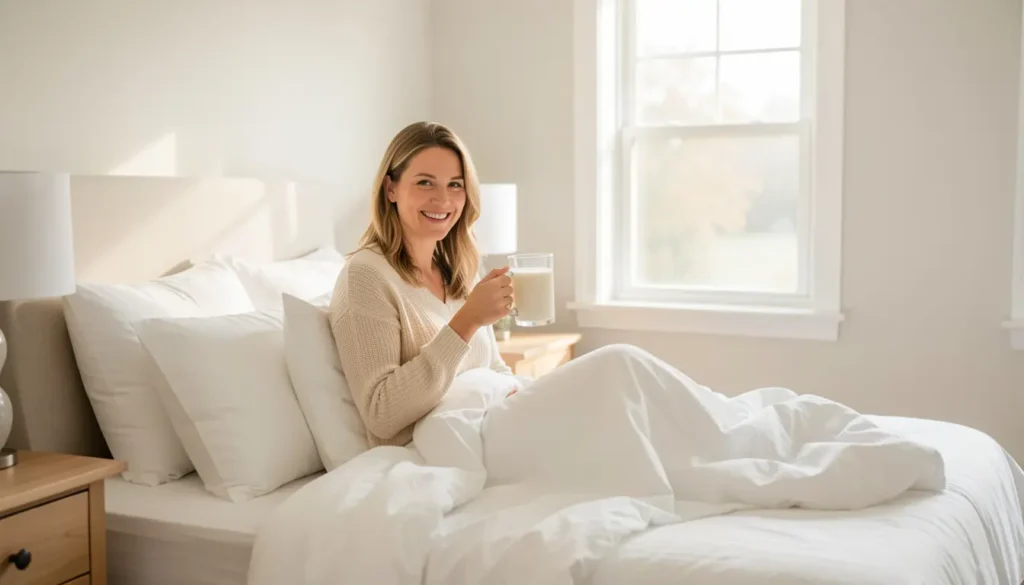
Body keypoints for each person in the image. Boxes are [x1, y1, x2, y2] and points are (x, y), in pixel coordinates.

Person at [329, 121, 522, 447]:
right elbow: (382, 413)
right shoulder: (365, 276)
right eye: (425, 183)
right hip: (440, 450)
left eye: (455, 185)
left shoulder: (460, 271)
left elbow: (495, 368)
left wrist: (520, 403)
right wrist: (466, 322)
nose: (443, 200)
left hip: (494, 431)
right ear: (390, 188)